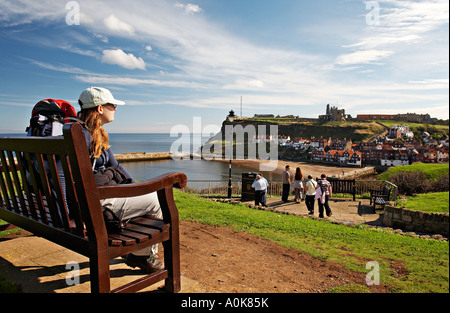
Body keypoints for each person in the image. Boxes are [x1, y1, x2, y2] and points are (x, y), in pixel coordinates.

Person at [77, 86, 163, 273]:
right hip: (93, 204)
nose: (115, 109)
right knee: (158, 201)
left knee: (145, 194)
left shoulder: (90, 132)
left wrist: (133, 187)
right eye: (113, 105)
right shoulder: (83, 136)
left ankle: (139, 252)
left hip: (92, 199)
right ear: (100, 108)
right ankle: (142, 256)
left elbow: (116, 166)